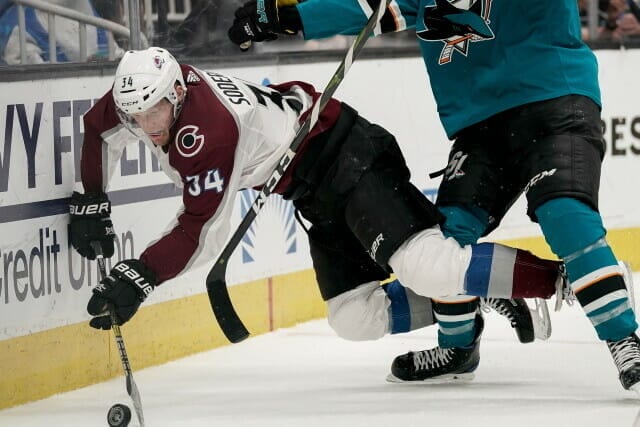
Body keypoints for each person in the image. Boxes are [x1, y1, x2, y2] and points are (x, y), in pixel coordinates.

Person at [226, 0, 640, 392]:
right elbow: (368, 9)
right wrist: (285, 17)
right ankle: (458, 348)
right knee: (444, 243)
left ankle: (624, 341)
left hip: (554, 98)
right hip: (481, 128)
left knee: (564, 214)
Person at [70, 47, 564, 366]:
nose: (147, 126)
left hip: (345, 152)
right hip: (310, 190)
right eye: (136, 116)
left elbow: (202, 231)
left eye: (154, 112)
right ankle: (471, 292)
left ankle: (562, 279)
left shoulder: (209, 132)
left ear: (177, 92)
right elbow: (97, 129)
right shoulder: (145, 92)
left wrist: (141, 274)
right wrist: (90, 199)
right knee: (353, 318)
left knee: (427, 266)